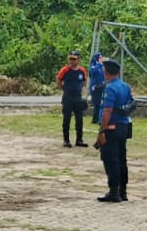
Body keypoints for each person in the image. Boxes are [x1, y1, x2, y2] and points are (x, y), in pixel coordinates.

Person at [96, 58, 134, 203]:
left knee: (111, 160)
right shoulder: (125, 86)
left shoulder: (110, 88)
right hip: (123, 127)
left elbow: (107, 111)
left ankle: (114, 192)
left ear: (106, 72)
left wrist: (102, 131)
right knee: (121, 160)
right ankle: (123, 191)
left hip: (112, 128)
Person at [56, 51, 88, 147]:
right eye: (70, 59)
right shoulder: (65, 70)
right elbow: (58, 79)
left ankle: (79, 140)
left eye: (74, 59)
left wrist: (80, 90)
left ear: (78, 60)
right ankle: (66, 140)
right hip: (68, 97)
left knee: (79, 120)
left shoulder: (82, 70)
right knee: (66, 119)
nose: (71, 61)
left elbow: (84, 81)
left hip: (78, 97)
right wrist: (63, 88)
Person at [87, 53, 106, 125]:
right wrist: (99, 63)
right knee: (97, 104)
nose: (101, 58)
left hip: (102, 86)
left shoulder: (102, 66)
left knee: (103, 103)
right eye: (100, 57)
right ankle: (95, 119)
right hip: (95, 87)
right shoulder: (93, 66)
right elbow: (93, 72)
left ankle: (101, 118)